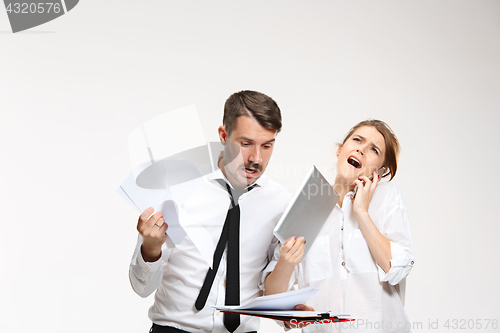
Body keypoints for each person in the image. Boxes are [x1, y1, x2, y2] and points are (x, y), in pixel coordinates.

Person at [129, 90, 291, 333]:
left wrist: (292, 308)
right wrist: (150, 249)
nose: (256, 158)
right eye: (246, 144)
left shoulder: (279, 203)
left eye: (267, 146)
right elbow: (141, 288)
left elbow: (273, 289)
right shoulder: (178, 189)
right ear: (223, 135)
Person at [264, 120, 415, 333]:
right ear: (339, 150)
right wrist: (287, 265)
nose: (361, 149)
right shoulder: (307, 207)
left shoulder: (387, 198)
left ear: (379, 172)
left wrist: (361, 213)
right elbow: (273, 301)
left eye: (374, 149)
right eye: (357, 140)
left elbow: (398, 268)